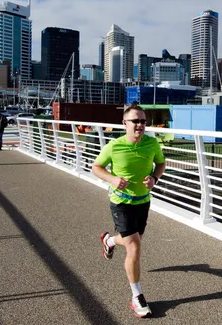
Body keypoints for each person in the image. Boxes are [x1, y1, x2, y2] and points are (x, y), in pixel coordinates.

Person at [92, 104, 166, 319]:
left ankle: (110, 241)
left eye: (143, 121)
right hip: (121, 201)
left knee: (135, 240)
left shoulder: (152, 144)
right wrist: (113, 179)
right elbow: (96, 167)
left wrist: (154, 178)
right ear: (124, 123)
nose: (140, 125)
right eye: (135, 121)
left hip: (143, 200)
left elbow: (161, 163)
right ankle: (137, 297)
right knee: (134, 245)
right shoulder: (114, 146)